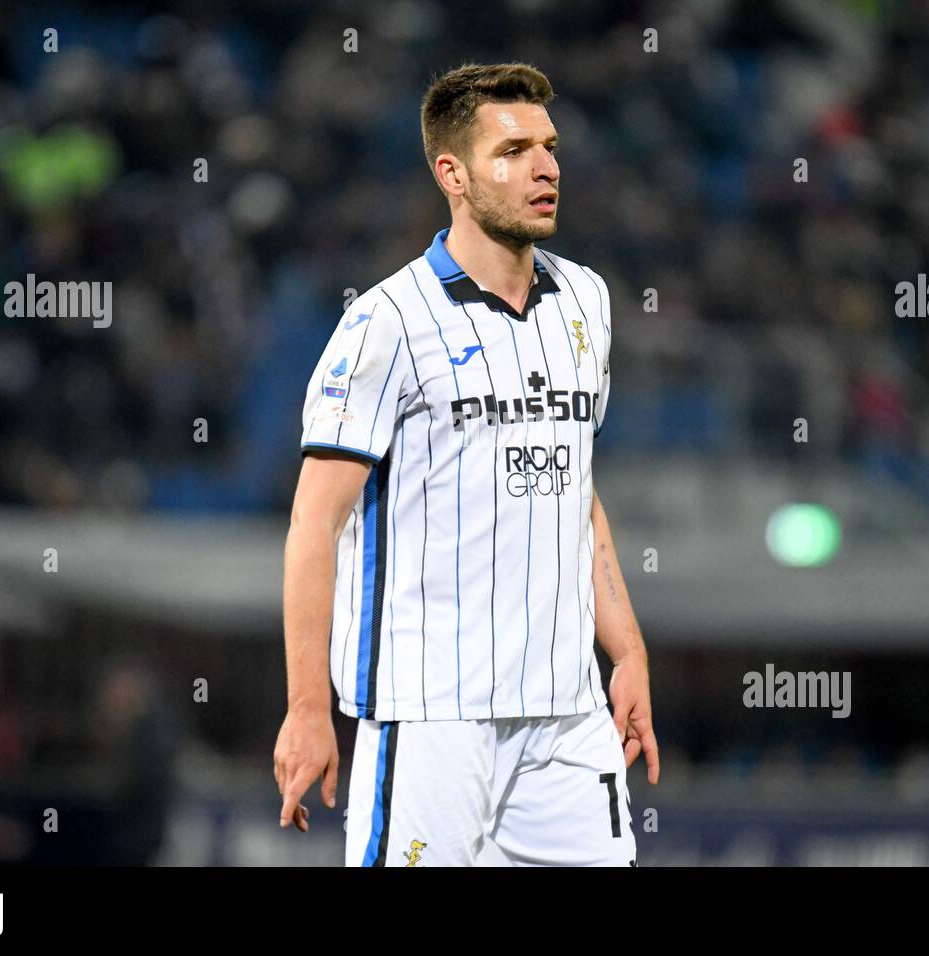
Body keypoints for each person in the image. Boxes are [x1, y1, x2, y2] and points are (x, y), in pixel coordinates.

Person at [274, 62, 659, 866]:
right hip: (430, 717)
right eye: (513, 150)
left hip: (566, 716)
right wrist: (309, 707)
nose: (546, 167)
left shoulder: (588, 300)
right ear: (451, 173)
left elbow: (574, 492)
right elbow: (316, 524)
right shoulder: (385, 324)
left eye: (549, 147)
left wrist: (625, 650)